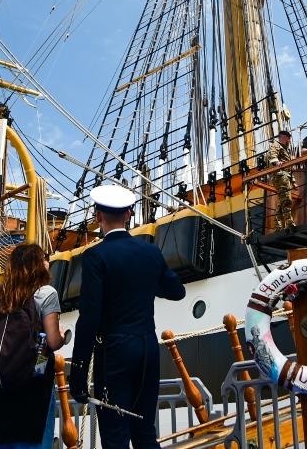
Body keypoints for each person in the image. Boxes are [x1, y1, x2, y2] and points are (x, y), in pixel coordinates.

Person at [69, 185, 186, 449]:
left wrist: (78, 375)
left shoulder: (95, 257)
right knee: (145, 432)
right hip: (147, 349)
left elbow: (89, 319)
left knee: (115, 436)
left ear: (98, 216)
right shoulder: (151, 252)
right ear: (129, 214)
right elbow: (177, 291)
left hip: (114, 353)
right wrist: (144, 283)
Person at [0, 243, 64, 449]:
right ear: (38, 265)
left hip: (5, 387)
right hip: (34, 384)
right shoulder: (46, 293)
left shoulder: (2, 299)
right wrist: (63, 335)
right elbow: (53, 341)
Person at [267, 130, 296, 229]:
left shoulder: (285, 149)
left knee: (282, 200)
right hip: (280, 175)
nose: (289, 141)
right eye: (288, 138)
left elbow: (289, 168)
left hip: (285, 175)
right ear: (284, 137)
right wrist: (277, 162)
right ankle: (289, 222)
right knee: (286, 199)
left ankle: (278, 224)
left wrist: (293, 182)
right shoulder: (276, 145)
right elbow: (273, 155)